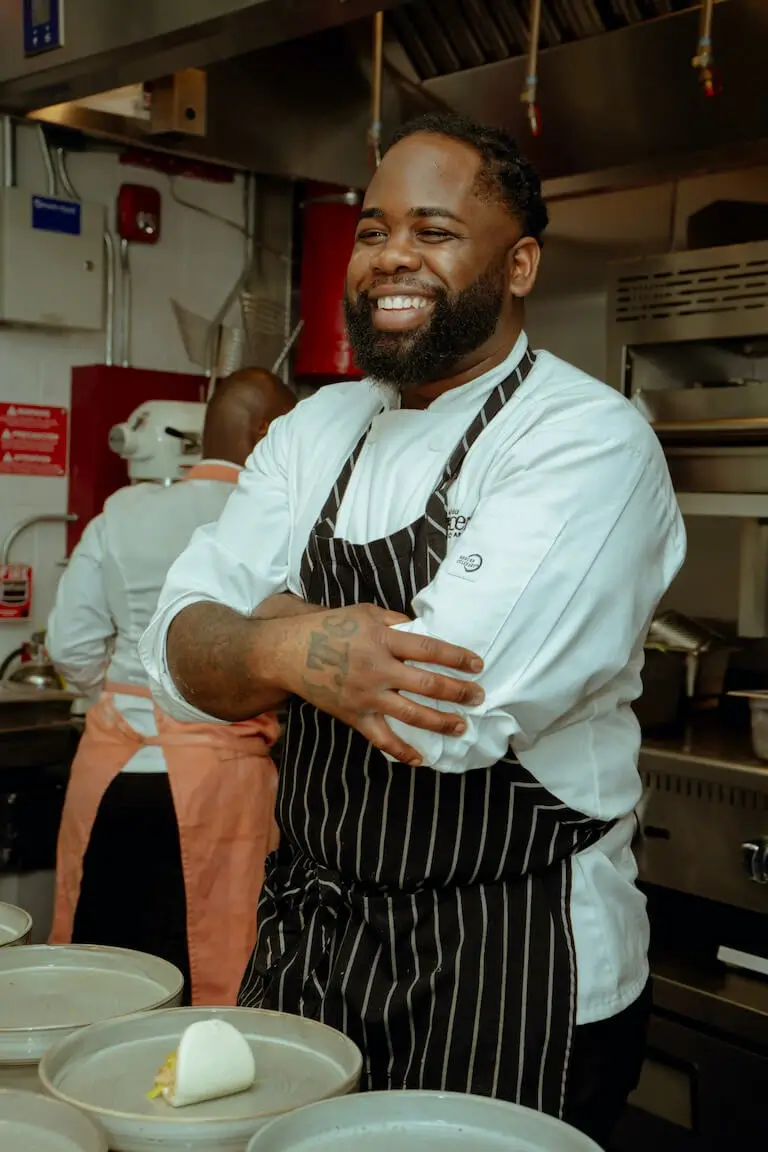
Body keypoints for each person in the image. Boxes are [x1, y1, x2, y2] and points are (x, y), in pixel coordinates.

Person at [140, 114, 686, 1143]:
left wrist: (260, 628)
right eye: (373, 228)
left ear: (519, 263)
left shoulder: (585, 441)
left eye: (433, 231)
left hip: (512, 961)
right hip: (312, 944)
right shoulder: (314, 430)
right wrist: (293, 648)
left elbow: (441, 713)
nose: (392, 255)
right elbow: (174, 649)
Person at [47, 368, 296, 1006]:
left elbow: (70, 644)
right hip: (220, 782)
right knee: (213, 981)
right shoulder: (282, 524)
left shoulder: (122, 511)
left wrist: (129, 694)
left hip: (110, 773)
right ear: (267, 433)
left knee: (98, 979)